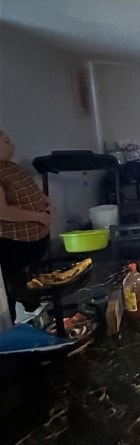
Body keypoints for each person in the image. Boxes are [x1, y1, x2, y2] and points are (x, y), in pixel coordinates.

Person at [0, 130, 52, 321]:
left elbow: (33, 192)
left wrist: (49, 205)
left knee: (35, 277)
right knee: (16, 284)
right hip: (15, 243)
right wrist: (38, 217)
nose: (12, 145)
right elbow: (2, 211)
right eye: (6, 142)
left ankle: (37, 311)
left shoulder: (12, 167)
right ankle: (15, 323)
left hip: (36, 239)